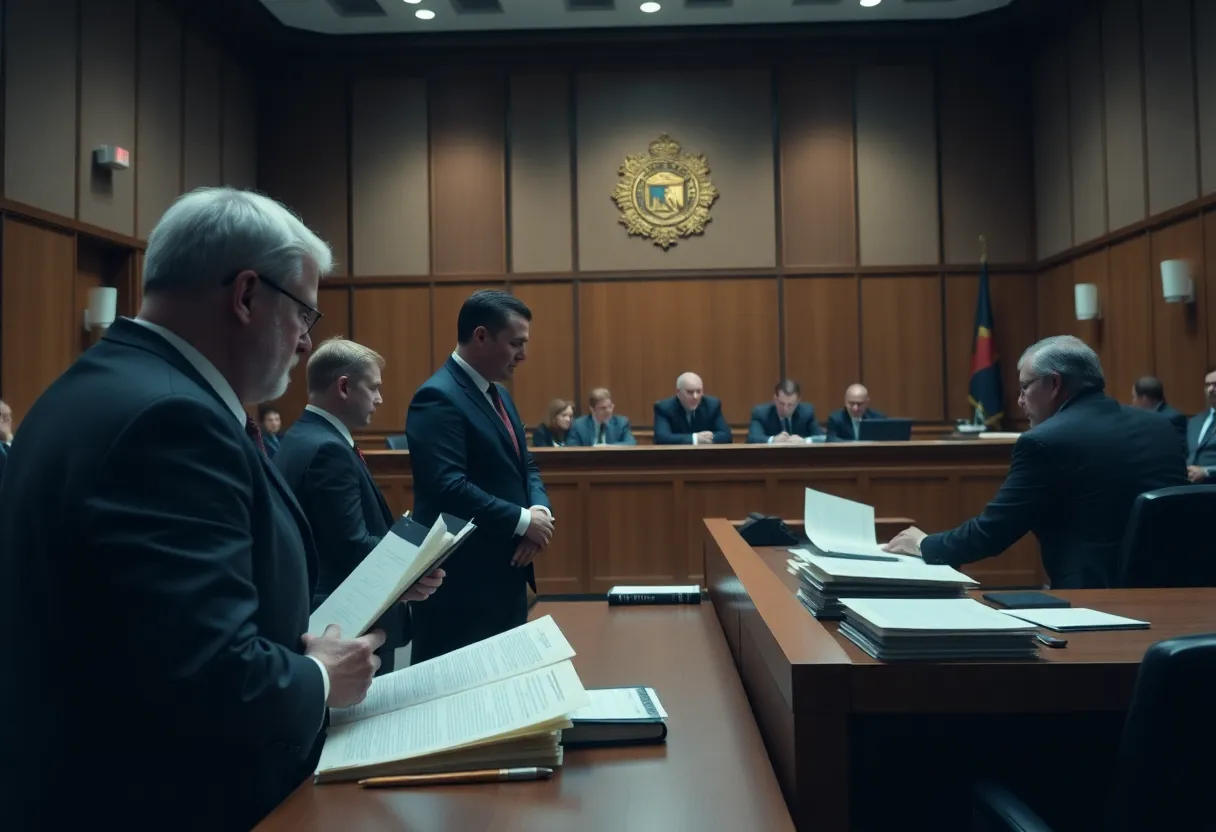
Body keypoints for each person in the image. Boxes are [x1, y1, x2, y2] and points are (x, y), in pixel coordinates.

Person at [0, 188, 439, 830]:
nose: (303, 344)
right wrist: (318, 676)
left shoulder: (102, 385)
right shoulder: (171, 421)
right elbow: (206, 675)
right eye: (304, 317)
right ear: (245, 295)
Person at [884, 336, 1187, 589]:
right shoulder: (1161, 428)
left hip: (1093, 606)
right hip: (1177, 598)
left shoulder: (1045, 441)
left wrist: (925, 545)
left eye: (1025, 387)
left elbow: (992, 532)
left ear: (1054, 383)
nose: (1019, 401)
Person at [275, 337, 443, 676]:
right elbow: (349, 543)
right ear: (344, 386)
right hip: (349, 622)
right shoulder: (327, 450)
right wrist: (415, 566)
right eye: (374, 388)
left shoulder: (301, 436)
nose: (380, 399)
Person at [405, 290, 553, 663]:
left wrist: (539, 516)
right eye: (516, 343)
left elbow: (526, 466)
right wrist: (523, 522)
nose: (524, 355)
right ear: (482, 335)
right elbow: (447, 487)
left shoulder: (498, 394)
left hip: (504, 576)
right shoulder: (438, 396)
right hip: (463, 588)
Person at [653, 372, 732, 445]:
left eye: (699, 391)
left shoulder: (712, 405)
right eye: (690, 392)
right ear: (678, 392)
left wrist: (707, 438)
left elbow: (726, 436)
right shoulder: (664, 408)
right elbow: (661, 439)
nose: (695, 397)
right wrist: (695, 438)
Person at [747, 379, 823, 444]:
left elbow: (821, 438)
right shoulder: (761, 413)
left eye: (790, 405)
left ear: (798, 401)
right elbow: (752, 439)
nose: (785, 408)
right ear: (775, 398)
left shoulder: (807, 412)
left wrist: (804, 441)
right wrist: (773, 440)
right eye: (782, 403)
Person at [567, 388, 637, 446]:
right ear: (592, 409)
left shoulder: (621, 423)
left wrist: (608, 447)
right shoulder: (578, 425)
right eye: (602, 408)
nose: (608, 411)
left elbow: (630, 443)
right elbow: (572, 447)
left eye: (610, 407)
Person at [1130, 375, 1187, 445]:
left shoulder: (1174, 418)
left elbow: (1179, 447)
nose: (1133, 402)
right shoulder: (1140, 416)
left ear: (1144, 399)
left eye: (1134, 397)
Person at [1186, 367, 1216, 484]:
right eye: (1207, 385)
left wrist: (1207, 471)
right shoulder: (1195, 421)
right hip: (1191, 488)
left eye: (1215, 385)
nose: (1210, 389)